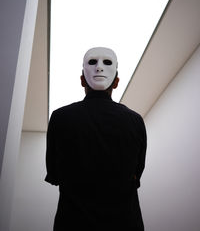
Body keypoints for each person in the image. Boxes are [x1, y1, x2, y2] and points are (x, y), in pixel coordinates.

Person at [45, 47, 147, 230]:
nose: (99, 68)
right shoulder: (136, 121)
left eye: (106, 63)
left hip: (72, 224)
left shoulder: (60, 117)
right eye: (93, 62)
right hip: (125, 224)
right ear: (116, 82)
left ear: (81, 80)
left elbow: (54, 173)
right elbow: (136, 173)